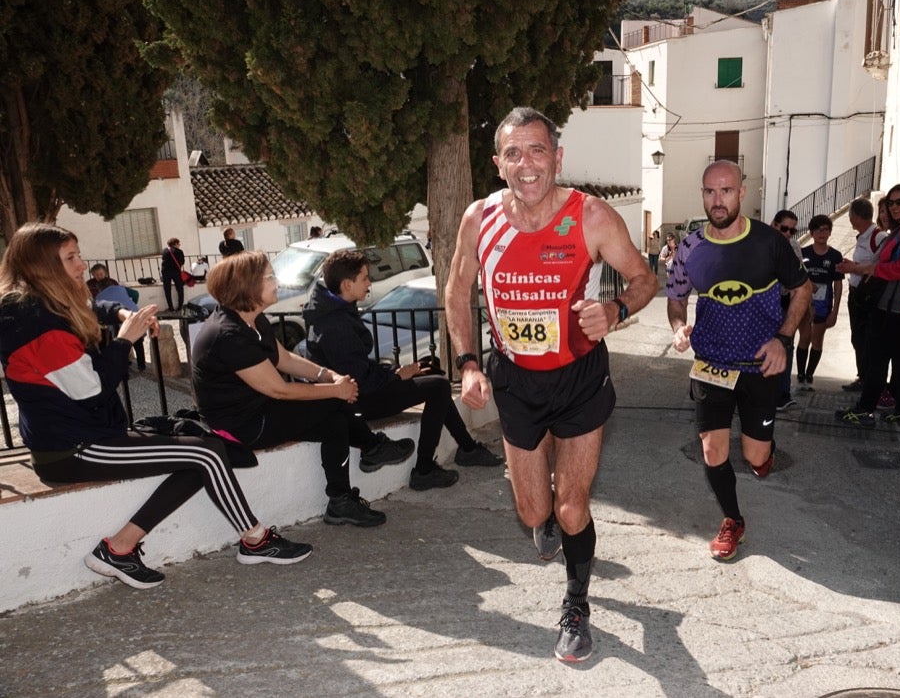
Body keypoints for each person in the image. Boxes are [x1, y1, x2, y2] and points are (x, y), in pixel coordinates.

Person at [444, 106, 658, 663]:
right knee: (534, 512)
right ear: (498, 164)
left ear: (557, 157)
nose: (527, 164)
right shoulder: (479, 218)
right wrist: (468, 362)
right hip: (515, 381)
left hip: (580, 378)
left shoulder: (591, 216)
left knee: (571, 510)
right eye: (513, 153)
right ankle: (547, 523)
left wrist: (614, 309)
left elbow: (644, 278)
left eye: (537, 150)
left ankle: (576, 603)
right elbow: (456, 288)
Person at [0, 224, 312, 589]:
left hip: (90, 435)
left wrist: (120, 314)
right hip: (72, 449)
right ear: (42, 266)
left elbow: (94, 305)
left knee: (204, 455)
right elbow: (93, 391)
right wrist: (124, 341)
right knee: (208, 454)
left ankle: (119, 549)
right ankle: (256, 540)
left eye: (79, 255)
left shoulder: (44, 305)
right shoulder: (35, 325)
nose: (83, 266)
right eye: (71, 258)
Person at [191, 251, 415, 529]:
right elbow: (280, 390)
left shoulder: (252, 319)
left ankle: (341, 500)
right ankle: (371, 448)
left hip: (258, 409)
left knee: (334, 421)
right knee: (334, 405)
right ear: (248, 285)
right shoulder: (229, 335)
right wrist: (335, 391)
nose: (277, 281)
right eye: (270, 277)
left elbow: (284, 359)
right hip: (240, 426)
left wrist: (329, 375)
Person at [667, 160, 811, 564]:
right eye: (710, 192)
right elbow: (677, 298)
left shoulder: (769, 243)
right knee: (713, 450)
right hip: (712, 363)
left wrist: (783, 339)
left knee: (755, 457)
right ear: (702, 194)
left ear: (741, 193)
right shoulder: (690, 248)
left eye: (726, 191)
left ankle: (762, 450)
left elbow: (803, 290)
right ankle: (733, 520)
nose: (718, 200)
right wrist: (679, 327)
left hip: (760, 364)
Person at [303, 249, 503, 491]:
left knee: (432, 376)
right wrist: (396, 375)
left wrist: (398, 370)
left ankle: (467, 449)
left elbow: (357, 366)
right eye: (365, 278)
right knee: (438, 386)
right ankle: (424, 470)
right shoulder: (334, 324)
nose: (369, 283)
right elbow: (360, 381)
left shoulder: (336, 309)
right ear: (347, 284)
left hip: (359, 392)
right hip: (356, 402)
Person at [835, 183, 900, 428]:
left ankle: (865, 410)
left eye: (899, 202)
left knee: (878, 359)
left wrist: (871, 269)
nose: (893, 207)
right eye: (890, 203)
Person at [842, 198, 888, 393]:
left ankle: (869, 380)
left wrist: (853, 268)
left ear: (856, 216)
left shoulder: (878, 237)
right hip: (856, 295)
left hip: (868, 299)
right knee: (857, 338)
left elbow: (880, 267)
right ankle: (863, 376)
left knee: (866, 339)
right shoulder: (863, 236)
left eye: (851, 216)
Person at [794, 214, 844, 391]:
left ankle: (810, 375)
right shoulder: (804, 253)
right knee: (804, 337)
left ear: (830, 232)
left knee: (817, 340)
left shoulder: (836, 256)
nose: (822, 233)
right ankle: (800, 375)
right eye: (818, 230)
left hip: (824, 305)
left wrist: (835, 311)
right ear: (812, 232)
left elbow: (838, 284)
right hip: (804, 303)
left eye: (825, 230)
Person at [770, 210, 802, 411]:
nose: (789, 234)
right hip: (761, 305)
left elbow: (800, 280)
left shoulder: (794, 247)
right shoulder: (760, 243)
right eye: (785, 229)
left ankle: (783, 393)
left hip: (783, 305)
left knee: (785, 348)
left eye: (793, 230)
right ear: (774, 225)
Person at [87, 263, 146, 371]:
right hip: (132, 313)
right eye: (96, 274)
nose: (99, 276)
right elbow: (134, 294)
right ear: (93, 275)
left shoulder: (101, 294)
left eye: (100, 274)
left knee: (120, 341)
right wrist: (130, 303)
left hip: (114, 318)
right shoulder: (92, 285)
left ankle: (123, 367)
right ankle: (141, 365)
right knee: (136, 340)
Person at [160, 237, 185, 311]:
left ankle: (171, 307)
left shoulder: (164, 251)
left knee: (167, 290)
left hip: (165, 272)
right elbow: (182, 262)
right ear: (175, 244)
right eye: (178, 243)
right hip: (176, 272)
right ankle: (180, 306)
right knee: (180, 289)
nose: (179, 245)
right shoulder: (179, 252)